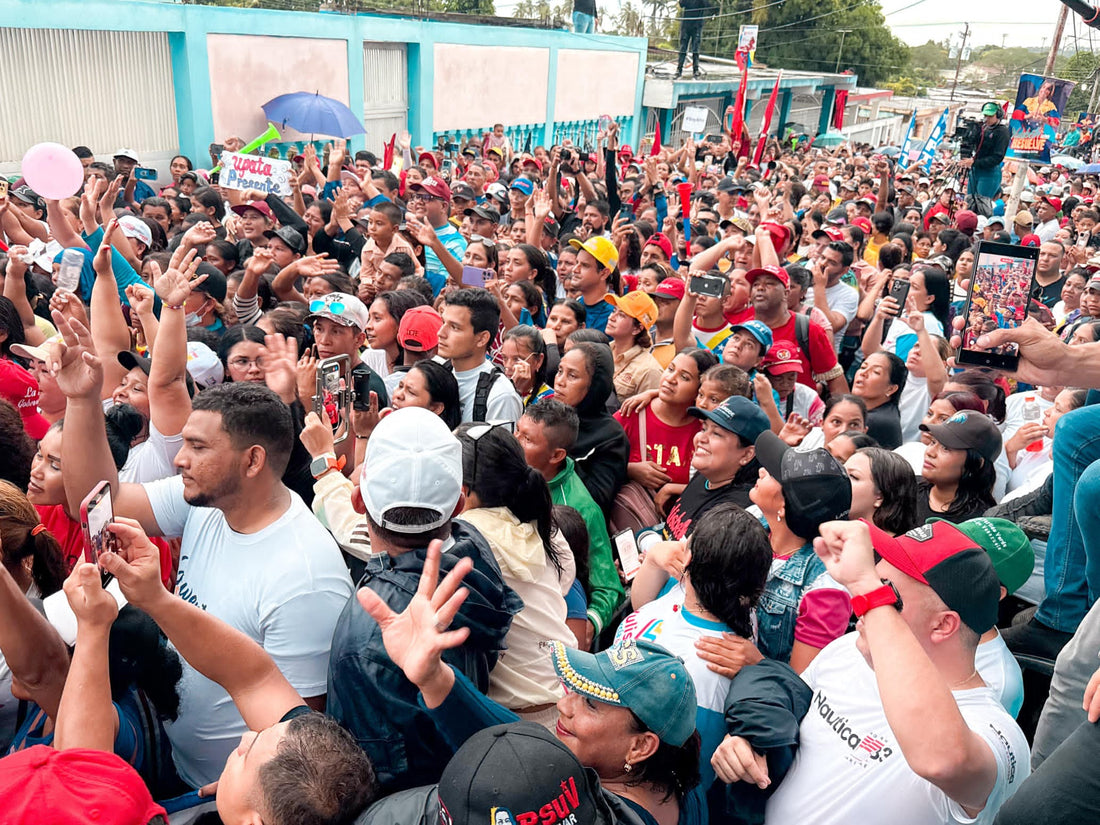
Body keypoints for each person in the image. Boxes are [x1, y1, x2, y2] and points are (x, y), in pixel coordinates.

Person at [51, 311, 353, 788]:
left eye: (197, 446)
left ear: (252, 460)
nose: (178, 458)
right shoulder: (209, 500)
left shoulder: (305, 578)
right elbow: (94, 499)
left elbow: (301, 737)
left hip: (221, 793)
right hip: (173, 750)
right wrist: (82, 401)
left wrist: (239, 796)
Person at [357, 549, 706, 825]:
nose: (566, 704)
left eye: (591, 703)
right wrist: (433, 676)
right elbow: (514, 741)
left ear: (641, 746)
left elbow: (519, 759)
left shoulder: (589, 814)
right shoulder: (679, 783)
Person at [716, 519, 1028, 825]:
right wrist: (750, 742)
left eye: (888, 595)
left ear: (943, 625)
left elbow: (944, 761)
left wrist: (867, 587)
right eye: (875, 584)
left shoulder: (995, 731)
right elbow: (793, 706)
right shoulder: (850, 648)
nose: (861, 606)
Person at [86, 518, 377, 825]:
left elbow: (77, 780)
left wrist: (92, 628)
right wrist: (154, 597)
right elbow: (250, 676)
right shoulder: (309, 770)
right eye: (259, 735)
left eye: (247, 755)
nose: (245, 737)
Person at [326, 408, 521, 793]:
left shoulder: (365, 633)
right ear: (459, 505)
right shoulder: (472, 552)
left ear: (358, 500)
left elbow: (373, 775)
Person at [618, 503, 773, 790]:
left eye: (687, 540)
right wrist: (653, 559)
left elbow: (689, 777)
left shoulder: (709, 668)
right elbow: (644, 607)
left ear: (689, 559)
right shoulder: (720, 600)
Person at [516, 399, 624, 647]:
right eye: (517, 432)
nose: (516, 442)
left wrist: (589, 624)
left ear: (556, 455)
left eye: (527, 439)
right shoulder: (505, 475)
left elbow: (608, 587)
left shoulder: (582, 507)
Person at [746, 431, 853, 672]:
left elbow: (802, 680)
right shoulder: (753, 519)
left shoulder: (826, 586)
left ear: (784, 505)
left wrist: (755, 663)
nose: (761, 471)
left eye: (772, 473)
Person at [615, 349, 717, 512]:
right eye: (670, 369)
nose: (670, 379)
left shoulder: (707, 429)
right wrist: (630, 470)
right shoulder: (633, 412)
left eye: (684, 377)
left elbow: (721, 486)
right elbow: (595, 463)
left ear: (700, 391)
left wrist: (674, 488)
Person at [664, 395, 772, 539]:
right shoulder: (706, 475)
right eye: (704, 428)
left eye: (716, 434)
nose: (701, 438)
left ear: (747, 454)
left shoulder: (733, 514)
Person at [553, 342, 629, 515]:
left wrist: (555, 454)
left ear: (595, 385)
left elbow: (596, 501)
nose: (559, 382)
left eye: (572, 375)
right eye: (559, 371)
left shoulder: (611, 437)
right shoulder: (549, 415)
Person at [438, 288, 524, 425]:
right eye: (443, 323)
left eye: (454, 327)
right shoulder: (436, 374)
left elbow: (500, 446)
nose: (441, 333)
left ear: (482, 339)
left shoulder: (500, 396)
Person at [917, 410, 1002, 524]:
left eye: (945, 448)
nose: (930, 452)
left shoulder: (976, 523)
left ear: (976, 464)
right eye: (933, 442)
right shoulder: (904, 488)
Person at [843, 447, 918, 536]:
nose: (839, 479)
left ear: (880, 497)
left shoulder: (897, 549)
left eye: (853, 476)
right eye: (842, 471)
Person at [605, 291, 664, 401]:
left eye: (621, 315)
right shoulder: (602, 350)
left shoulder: (649, 370)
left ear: (637, 328)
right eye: (614, 311)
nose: (611, 317)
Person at [851, 351, 907, 449]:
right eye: (863, 367)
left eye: (876, 372)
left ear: (890, 389)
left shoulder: (875, 421)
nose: (863, 373)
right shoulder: (883, 412)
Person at [961, 102, 1010, 206]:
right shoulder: (982, 128)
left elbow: (997, 157)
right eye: (985, 116)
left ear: (998, 115)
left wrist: (974, 163)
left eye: (990, 116)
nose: (987, 119)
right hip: (975, 170)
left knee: (981, 204)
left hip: (989, 172)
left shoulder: (1002, 132)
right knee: (969, 202)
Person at [675, 0, 714, 79]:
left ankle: (695, 70)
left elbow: (707, 5)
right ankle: (679, 70)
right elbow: (681, 4)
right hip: (686, 25)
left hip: (697, 26)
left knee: (695, 48)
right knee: (683, 48)